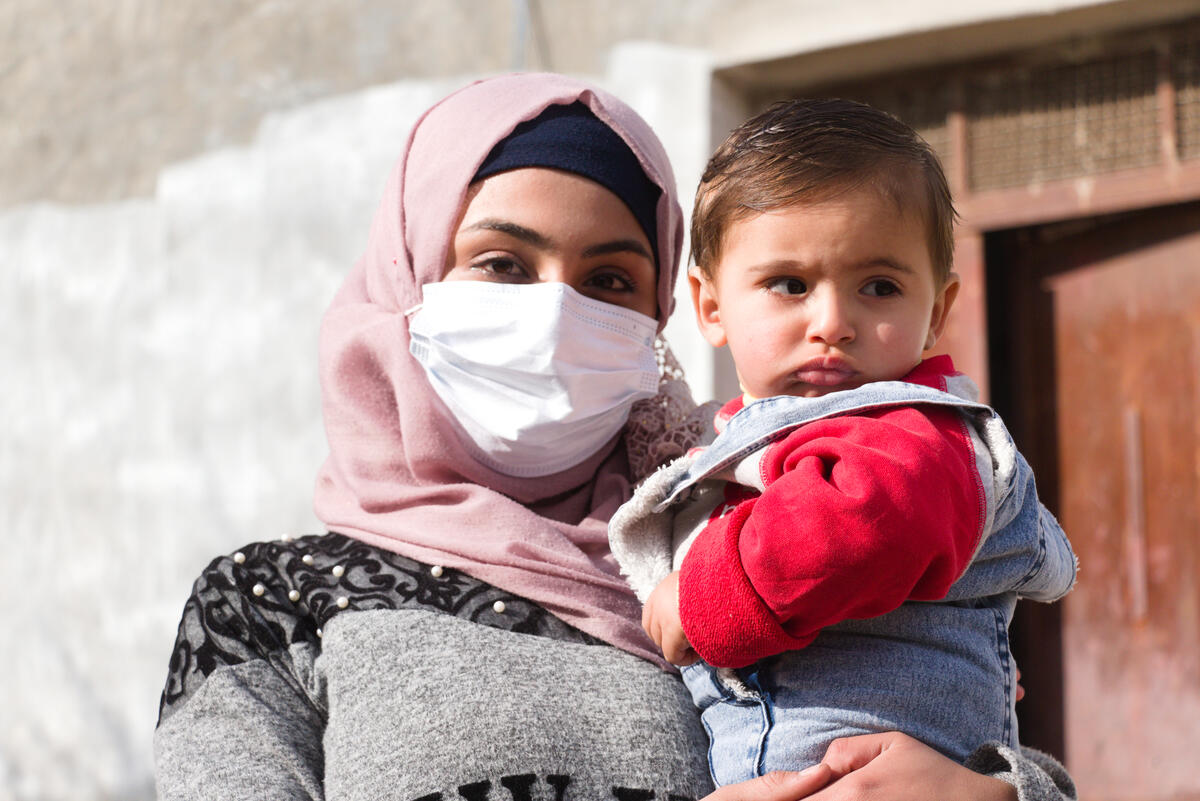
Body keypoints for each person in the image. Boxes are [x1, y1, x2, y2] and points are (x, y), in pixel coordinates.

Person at [154, 74, 1077, 801]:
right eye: (503, 264)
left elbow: (947, 696)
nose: (555, 309)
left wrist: (999, 793)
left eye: (608, 279)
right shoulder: (270, 607)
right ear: (407, 273)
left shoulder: (706, 538)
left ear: (666, 313)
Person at [609, 98, 1077, 785]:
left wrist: (705, 593)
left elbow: (869, 517)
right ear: (711, 307)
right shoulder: (721, 446)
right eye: (789, 284)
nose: (833, 321)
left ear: (935, 313)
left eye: (879, 287)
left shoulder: (916, 431)